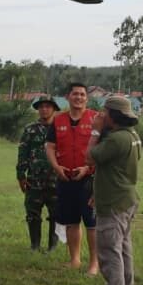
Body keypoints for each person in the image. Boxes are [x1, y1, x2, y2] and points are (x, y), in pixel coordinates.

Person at [84, 96, 142, 285]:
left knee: (109, 251)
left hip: (114, 202)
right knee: (123, 248)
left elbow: (89, 158)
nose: (100, 115)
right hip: (126, 197)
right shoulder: (132, 136)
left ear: (113, 115)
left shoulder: (116, 139)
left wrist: (95, 131)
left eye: (105, 111)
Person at [45, 82, 100, 274]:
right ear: (68, 96)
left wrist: (88, 168)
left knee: (92, 223)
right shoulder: (58, 120)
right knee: (71, 221)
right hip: (65, 177)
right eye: (75, 94)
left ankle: (94, 263)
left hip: (89, 179)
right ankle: (74, 259)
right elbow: (50, 146)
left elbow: (102, 149)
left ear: (87, 98)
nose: (79, 97)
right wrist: (55, 166)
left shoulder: (95, 118)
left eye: (82, 94)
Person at [17, 95, 60, 252]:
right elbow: (23, 152)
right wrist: (21, 175)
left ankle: (52, 246)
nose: (44, 109)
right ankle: (34, 245)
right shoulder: (30, 129)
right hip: (34, 178)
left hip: (56, 178)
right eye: (41, 107)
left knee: (56, 214)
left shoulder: (60, 128)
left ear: (54, 108)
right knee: (32, 213)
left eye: (48, 106)